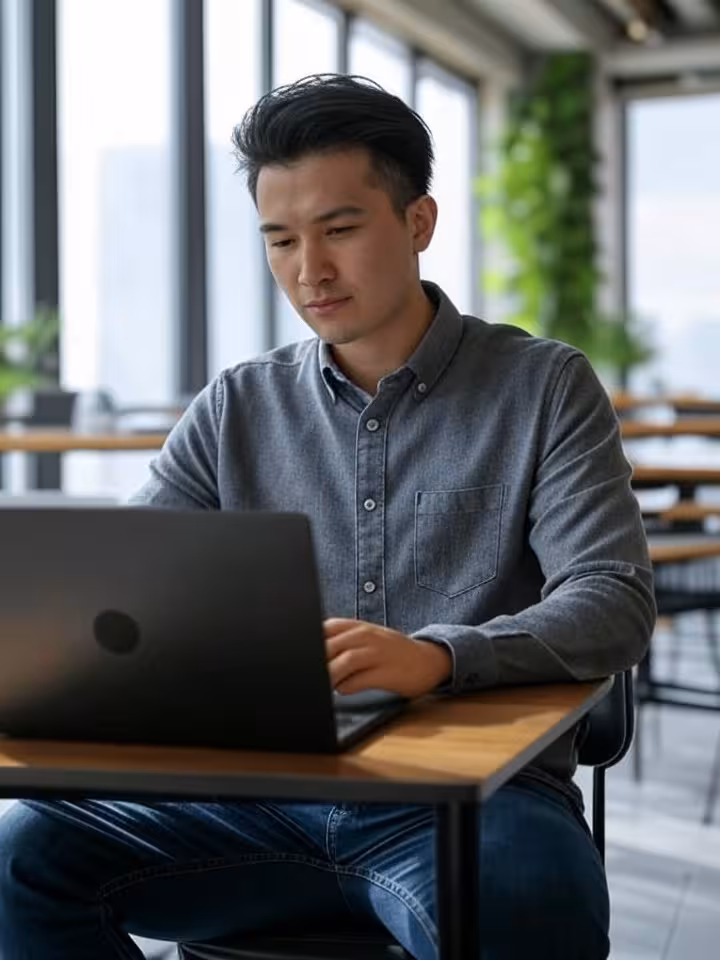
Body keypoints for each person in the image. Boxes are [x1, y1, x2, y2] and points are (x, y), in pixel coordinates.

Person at [0, 74, 655, 960]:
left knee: (528, 907)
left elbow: (612, 597)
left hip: (469, 803)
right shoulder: (236, 405)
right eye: (280, 239)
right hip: (249, 803)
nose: (309, 270)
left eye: (340, 229)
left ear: (418, 223)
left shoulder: (543, 389)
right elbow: (123, 599)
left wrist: (438, 657)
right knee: (18, 856)